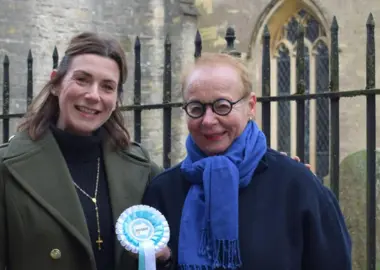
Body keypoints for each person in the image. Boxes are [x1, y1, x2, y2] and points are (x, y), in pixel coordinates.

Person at [0, 32, 163, 270]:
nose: (93, 95)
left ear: (116, 99)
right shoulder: (3, 167)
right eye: (82, 79)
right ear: (56, 83)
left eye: (107, 86)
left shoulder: (141, 168)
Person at [143, 52, 352, 270]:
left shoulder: (298, 185)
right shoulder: (164, 191)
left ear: (251, 106)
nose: (208, 120)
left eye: (222, 106)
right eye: (196, 108)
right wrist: (166, 261)